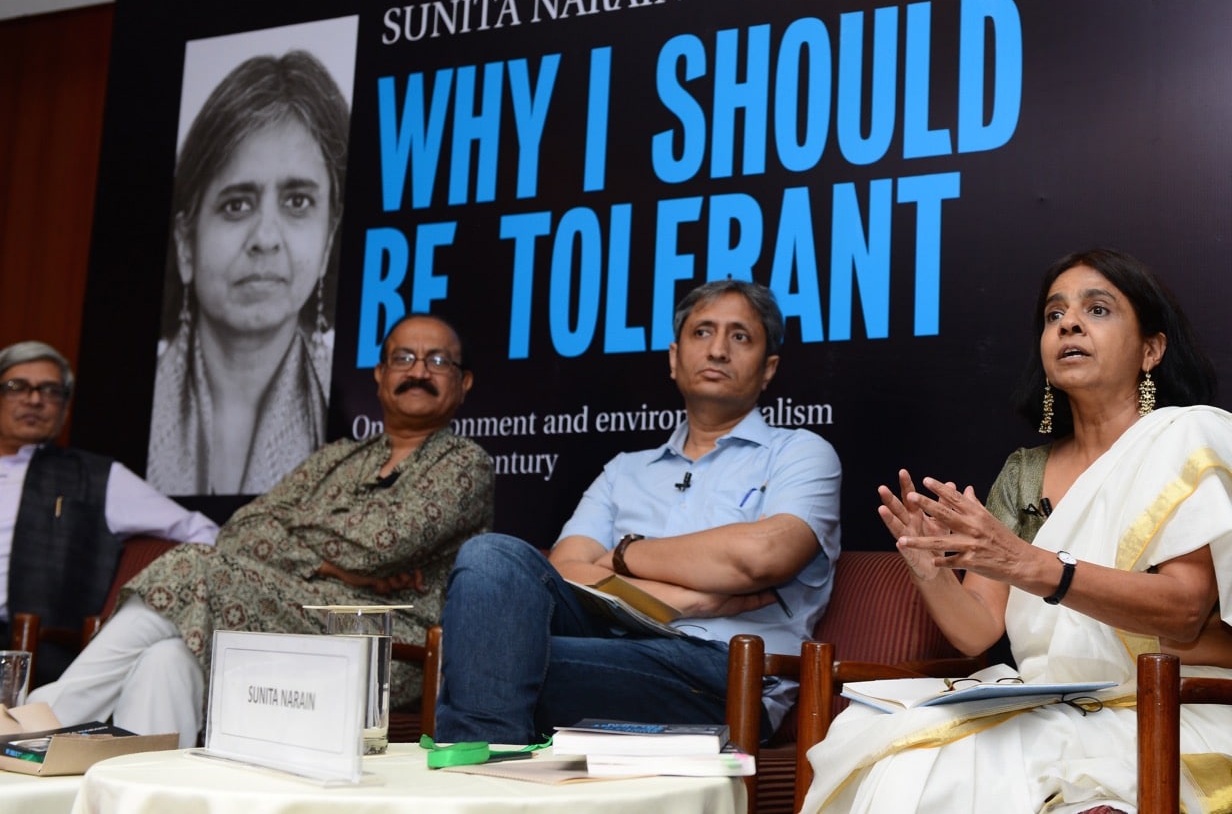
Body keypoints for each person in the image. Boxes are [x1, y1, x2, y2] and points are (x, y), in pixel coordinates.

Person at [803, 250, 1232, 813]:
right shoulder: (1024, 472)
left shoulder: (1186, 437)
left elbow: (1183, 612)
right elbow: (977, 631)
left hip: (1169, 708)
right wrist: (929, 572)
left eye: (1097, 309)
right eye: (1055, 316)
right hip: (1055, 707)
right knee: (893, 758)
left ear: (1151, 349)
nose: (1070, 324)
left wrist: (1035, 565)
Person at [31, 314, 494, 746]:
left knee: (195, 566)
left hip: (382, 646)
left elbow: (378, 545)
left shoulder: (463, 464)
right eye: (403, 358)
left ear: (465, 381)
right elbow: (240, 530)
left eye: (437, 361)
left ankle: (41, 720)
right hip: (288, 621)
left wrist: (319, 548)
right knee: (165, 658)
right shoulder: (335, 458)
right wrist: (333, 566)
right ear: (380, 374)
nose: (419, 371)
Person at [434, 279, 842, 743]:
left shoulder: (800, 453)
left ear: (768, 369)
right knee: (492, 556)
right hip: (612, 647)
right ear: (674, 357)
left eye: (740, 336)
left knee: (495, 657)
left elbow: (761, 556)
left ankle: (471, 783)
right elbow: (565, 571)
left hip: (724, 673)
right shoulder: (624, 472)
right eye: (702, 332)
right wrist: (691, 599)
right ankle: (485, 777)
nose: (718, 351)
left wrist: (622, 555)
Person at [0, 341, 218, 704]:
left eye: (50, 390)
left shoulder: (97, 477)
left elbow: (201, 533)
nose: (34, 399)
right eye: (17, 387)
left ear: (63, 409)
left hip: (4, 645)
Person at [147, 49, 350, 495]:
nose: (265, 238)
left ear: (329, 238)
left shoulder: (365, 424)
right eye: (237, 204)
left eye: (297, 202)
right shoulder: (129, 410)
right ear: (185, 241)